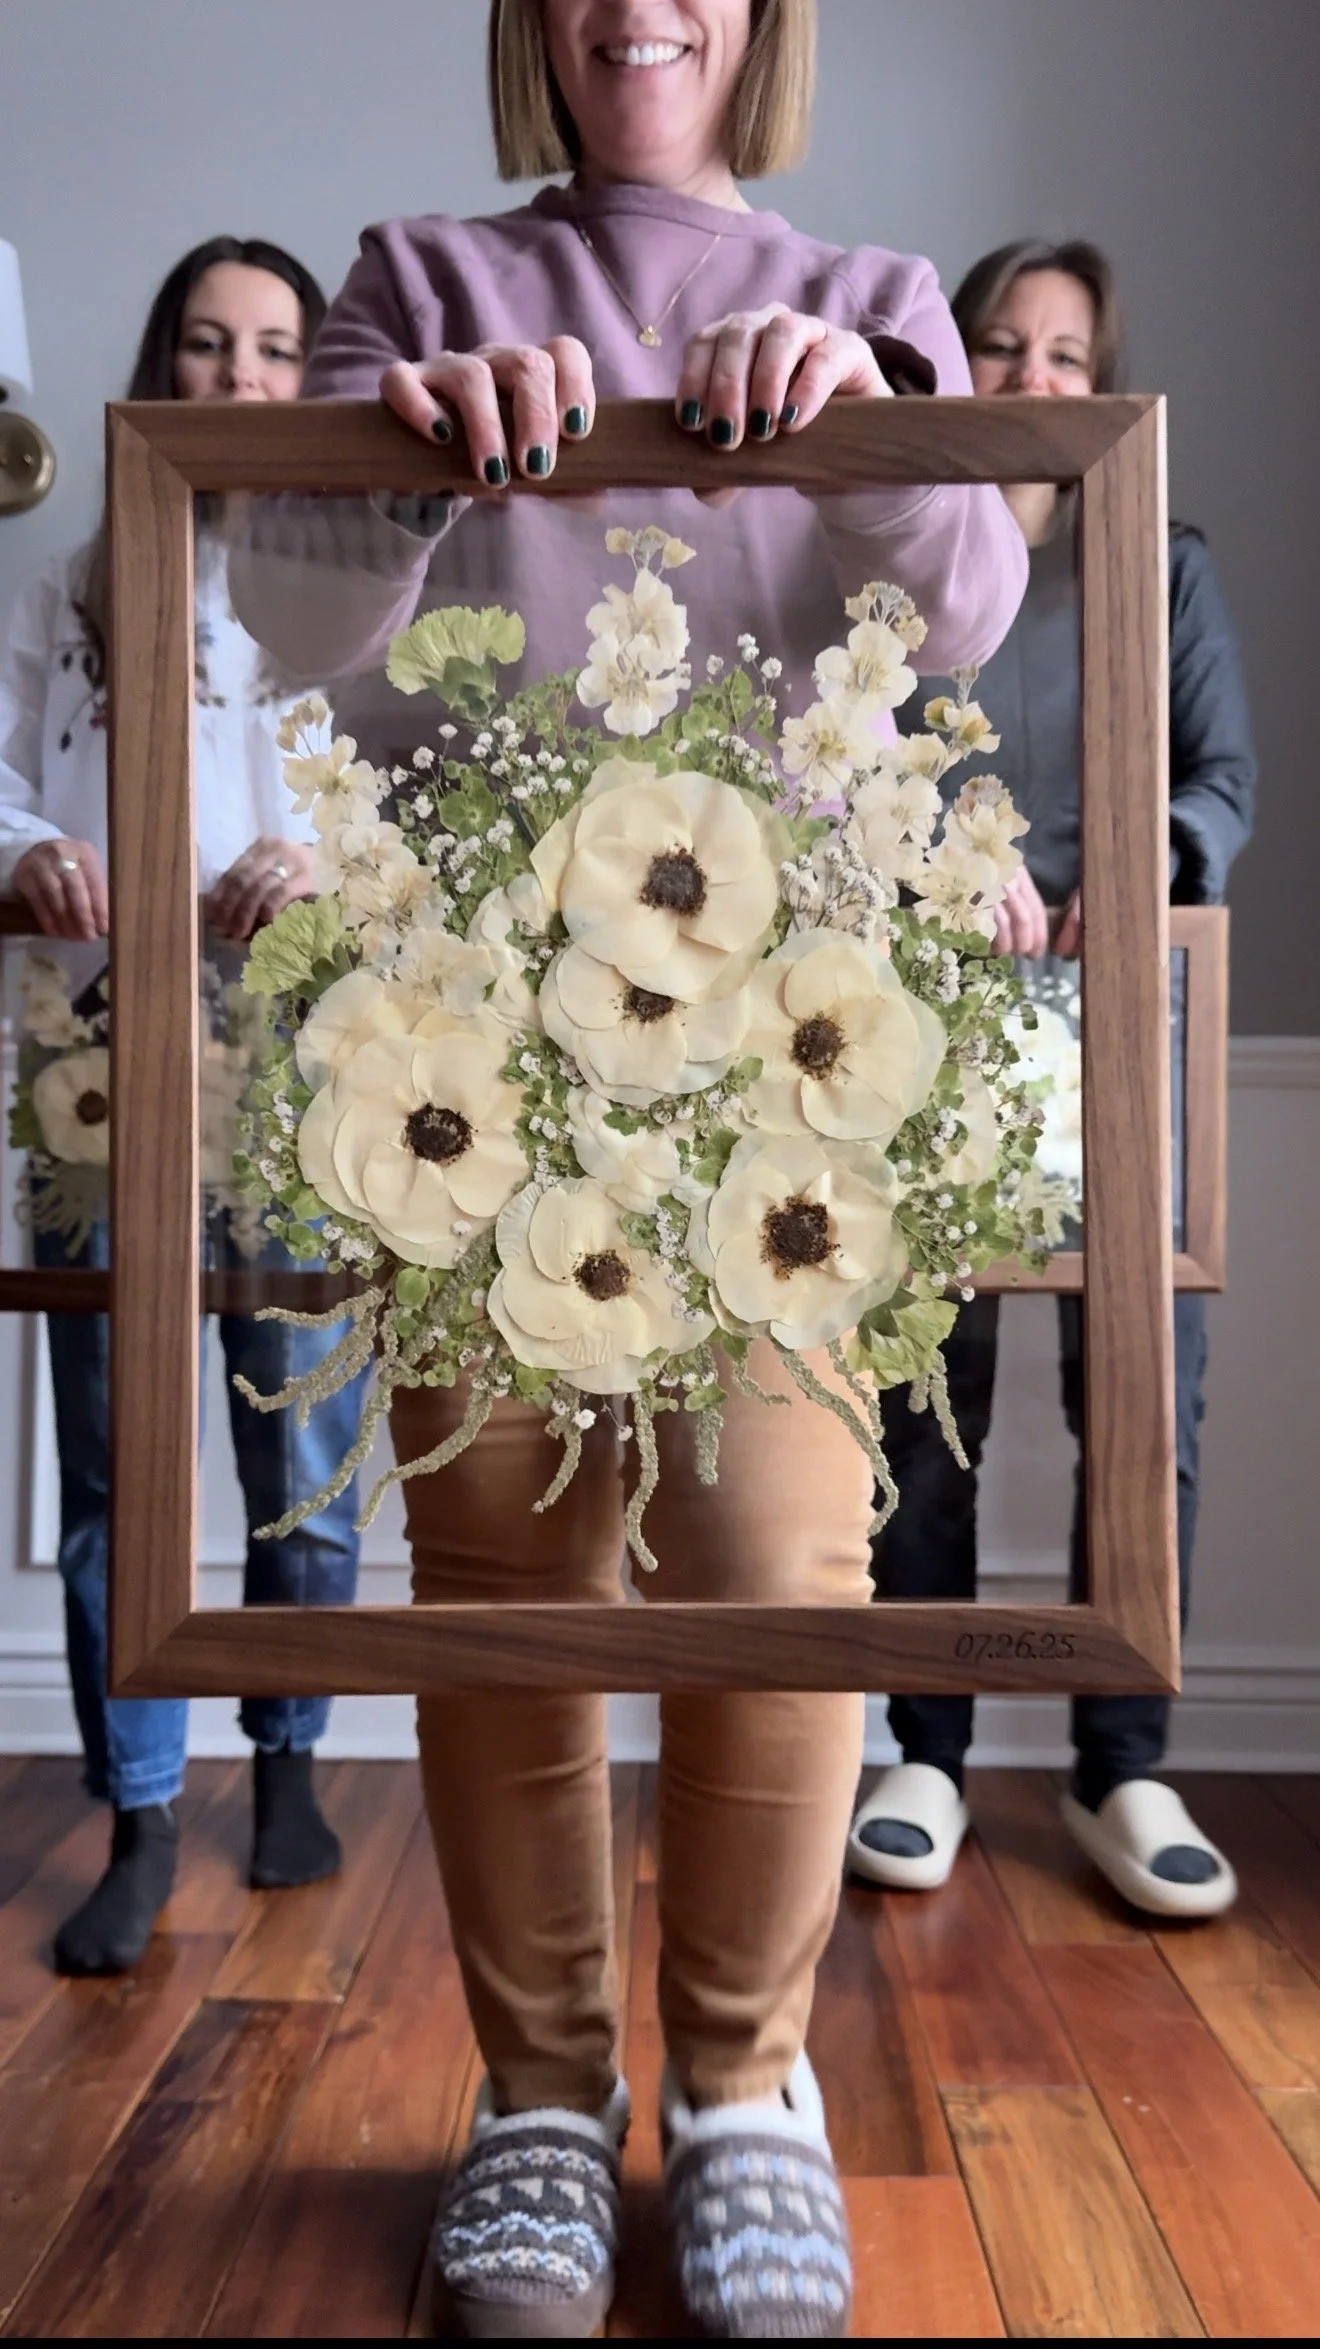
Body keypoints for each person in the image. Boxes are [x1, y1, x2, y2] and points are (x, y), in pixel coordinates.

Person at [233, 1, 1026, 2334]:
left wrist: (867, 421)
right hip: (466, 1054)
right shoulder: (412, 280)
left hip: (793, 1067)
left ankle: (754, 2085)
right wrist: (413, 467)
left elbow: (968, 607)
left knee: (781, 1557)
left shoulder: (876, 296)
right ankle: (545, 2097)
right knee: (504, 1571)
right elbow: (287, 616)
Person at [848, 238, 1257, 1922]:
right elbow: (841, 773)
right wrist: (947, 868)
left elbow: (1222, 783)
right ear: (955, 370)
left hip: (1130, 1028)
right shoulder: (896, 577)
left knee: (1143, 1400)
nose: (1033, 377)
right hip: (920, 1031)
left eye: (1065, 352)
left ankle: (1124, 1761)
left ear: (1106, 379)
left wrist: (1143, 858)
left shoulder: (1161, 566)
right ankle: (923, 1750)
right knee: (925, 1399)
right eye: (1001, 347)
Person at [0, 237, 371, 1979]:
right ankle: (141, 1804)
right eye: (208, 344)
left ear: (311, 380)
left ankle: (291, 1759)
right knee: (113, 1457)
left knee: (294, 1437)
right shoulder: (55, 592)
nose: (237, 377)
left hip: (301, 1060)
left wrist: (321, 853)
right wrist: (29, 849)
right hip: (94, 1052)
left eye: (275, 350)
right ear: (160, 361)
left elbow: (405, 797)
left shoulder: (343, 595)